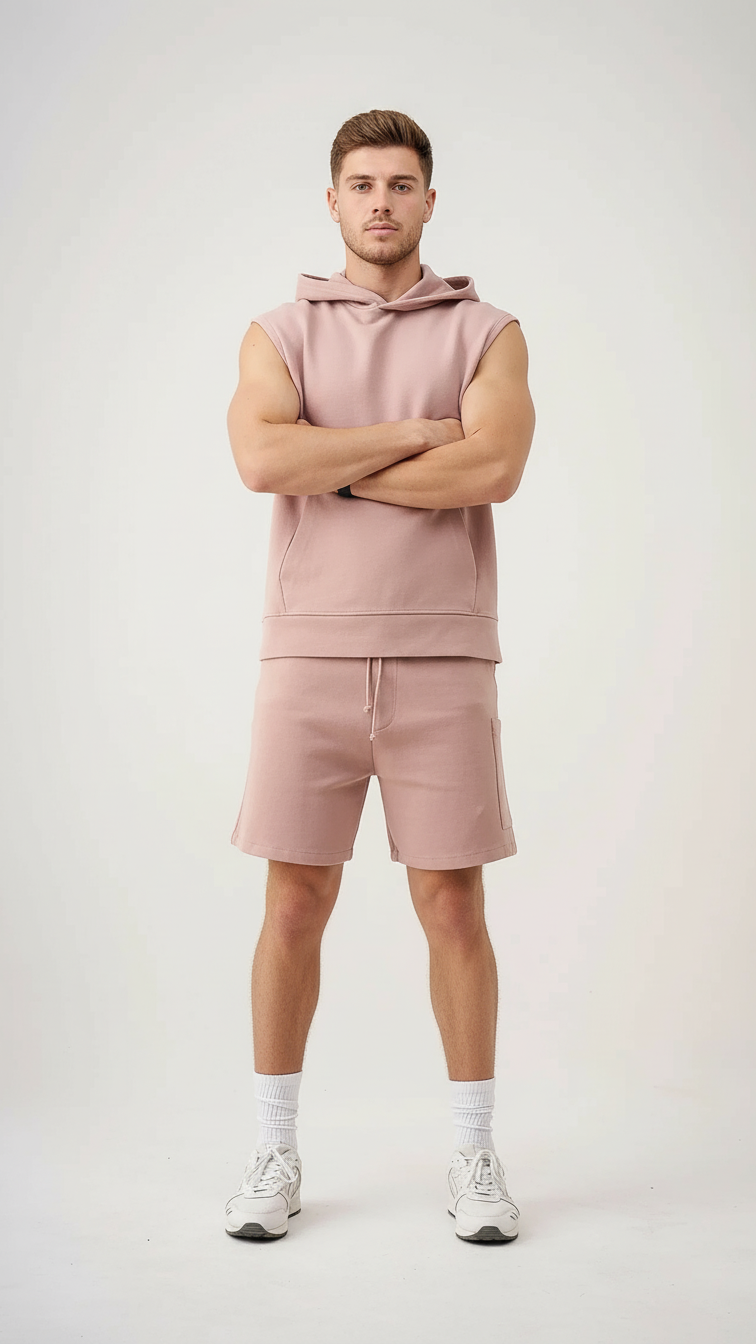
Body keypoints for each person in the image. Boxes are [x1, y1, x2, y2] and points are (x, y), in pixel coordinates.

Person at [223, 109, 536, 1242]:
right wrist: (416, 435)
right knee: (293, 903)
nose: (381, 203)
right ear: (333, 200)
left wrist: (336, 459)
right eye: (362, 184)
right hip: (306, 653)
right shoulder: (280, 330)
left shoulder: (488, 331)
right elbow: (263, 455)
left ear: (429, 201)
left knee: (453, 906)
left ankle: (474, 1155)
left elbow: (494, 466)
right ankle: (273, 1148)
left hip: (444, 656)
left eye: (401, 184)